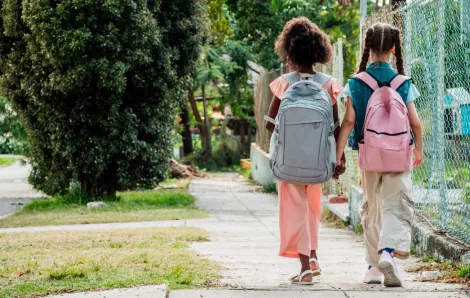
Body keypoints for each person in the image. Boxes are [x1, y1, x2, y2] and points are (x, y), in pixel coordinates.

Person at [335, 23, 424, 287]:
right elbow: (416, 122)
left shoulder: (355, 83)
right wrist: (418, 148)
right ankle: (388, 252)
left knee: (371, 207)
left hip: (369, 153)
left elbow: (349, 121)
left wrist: (337, 157)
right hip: (399, 152)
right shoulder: (403, 82)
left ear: (368, 47)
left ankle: (373, 267)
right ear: (394, 49)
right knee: (396, 205)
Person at [266, 17, 345, 285]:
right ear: (318, 52)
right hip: (319, 162)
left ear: (289, 53)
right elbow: (334, 127)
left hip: (289, 163)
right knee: (311, 210)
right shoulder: (328, 83)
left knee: (295, 210)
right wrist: (338, 158)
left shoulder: (283, 83)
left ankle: (305, 268)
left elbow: (269, 124)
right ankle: (312, 258)